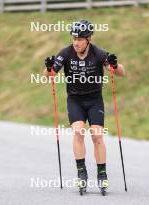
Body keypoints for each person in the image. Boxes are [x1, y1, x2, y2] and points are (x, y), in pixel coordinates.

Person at [44, 20, 125, 193]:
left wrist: (115, 64)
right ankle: (82, 172)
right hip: (75, 100)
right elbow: (49, 76)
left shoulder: (98, 53)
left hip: (95, 100)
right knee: (79, 130)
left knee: (97, 135)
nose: (76, 42)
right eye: (74, 38)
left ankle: (102, 173)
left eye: (80, 39)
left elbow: (121, 73)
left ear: (88, 39)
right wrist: (48, 68)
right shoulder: (65, 53)